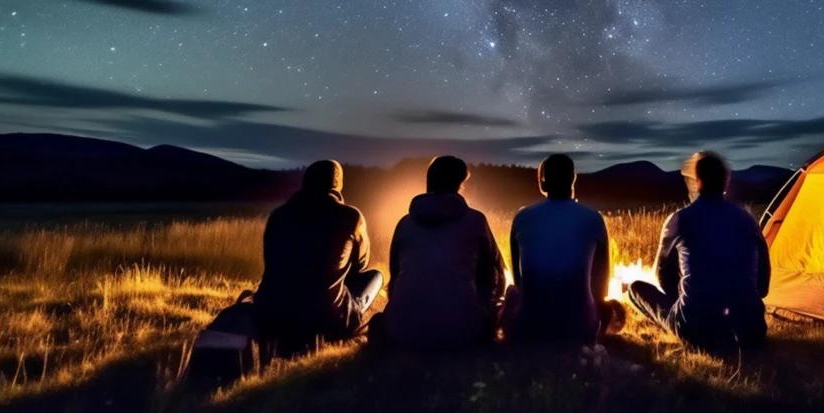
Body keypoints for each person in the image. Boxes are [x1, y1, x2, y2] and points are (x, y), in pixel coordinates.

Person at [627, 151, 770, 352]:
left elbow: (661, 277)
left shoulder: (679, 219)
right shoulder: (748, 220)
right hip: (752, 331)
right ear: (726, 180)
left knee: (635, 289)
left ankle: (688, 325)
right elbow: (763, 287)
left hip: (697, 331)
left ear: (697, 180)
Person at [253, 159, 383, 357]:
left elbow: (271, 262)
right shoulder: (350, 217)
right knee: (375, 276)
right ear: (337, 185)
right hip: (326, 319)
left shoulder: (278, 215)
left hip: (272, 315)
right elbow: (361, 265)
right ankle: (350, 320)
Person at [380, 155, 507, 349]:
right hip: (463, 333)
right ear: (460, 184)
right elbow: (496, 272)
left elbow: (395, 278)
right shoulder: (475, 221)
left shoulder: (405, 223)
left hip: (402, 332)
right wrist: (487, 309)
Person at [503, 154, 624, 344]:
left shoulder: (523, 217)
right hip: (580, 330)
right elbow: (601, 284)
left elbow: (519, 281)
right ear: (573, 179)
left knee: (511, 293)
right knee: (608, 306)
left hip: (530, 330)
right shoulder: (593, 218)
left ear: (543, 183)